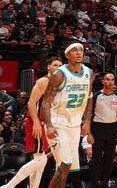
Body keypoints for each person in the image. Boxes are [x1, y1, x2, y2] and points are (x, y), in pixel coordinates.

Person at [0, 57, 62, 188]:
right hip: (37, 122)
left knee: (40, 160)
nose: (58, 67)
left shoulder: (57, 84)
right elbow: (31, 103)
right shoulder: (43, 81)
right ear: (49, 67)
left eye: (60, 65)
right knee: (41, 159)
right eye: (55, 65)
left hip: (46, 124)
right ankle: (9, 186)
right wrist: (36, 123)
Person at [41, 43, 95, 188]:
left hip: (75, 125)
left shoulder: (89, 73)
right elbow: (45, 103)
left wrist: (87, 122)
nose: (78, 53)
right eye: (74, 50)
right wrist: (49, 125)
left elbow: (89, 97)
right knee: (65, 164)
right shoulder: (59, 75)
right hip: (58, 124)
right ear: (67, 55)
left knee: (69, 168)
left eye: (81, 50)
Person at [89, 73, 117, 188]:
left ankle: (104, 183)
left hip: (112, 129)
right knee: (97, 159)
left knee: (109, 159)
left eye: (112, 80)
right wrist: (89, 133)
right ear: (103, 81)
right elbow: (89, 115)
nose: (110, 82)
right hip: (97, 128)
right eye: (108, 79)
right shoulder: (96, 96)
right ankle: (94, 184)